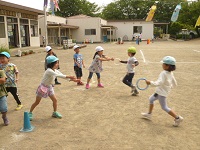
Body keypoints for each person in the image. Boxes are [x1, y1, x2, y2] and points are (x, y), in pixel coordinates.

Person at [28, 56, 79, 120]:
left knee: (55, 100)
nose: (58, 64)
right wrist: (71, 76)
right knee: (37, 102)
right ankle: (30, 113)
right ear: (52, 64)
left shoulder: (55, 70)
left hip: (49, 87)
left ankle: (54, 112)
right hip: (43, 87)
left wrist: (73, 80)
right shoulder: (49, 71)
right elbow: (58, 75)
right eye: (56, 63)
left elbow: (62, 76)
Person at [141, 56, 183, 127]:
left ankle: (177, 118)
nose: (162, 64)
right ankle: (149, 114)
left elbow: (159, 83)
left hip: (161, 93)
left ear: (167, 66)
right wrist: (170, 87)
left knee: (164, 107)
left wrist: (150, 82)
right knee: (151, 99)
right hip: (161, 91)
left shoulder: (163, 73)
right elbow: (175, 83)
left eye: (163, 63)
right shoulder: (170, 73)